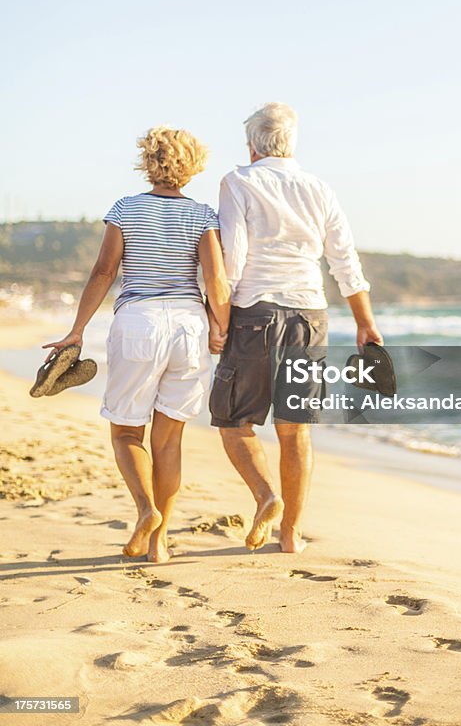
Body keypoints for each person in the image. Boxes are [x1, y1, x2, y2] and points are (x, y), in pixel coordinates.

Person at [43, 127, 230, 563]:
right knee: (169, 440)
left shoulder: (125, 208)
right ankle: (158, 544)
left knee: (128, 431)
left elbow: (104, 273)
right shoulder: (203, 215)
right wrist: (221, 326)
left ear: (148, 161)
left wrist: (77, 330)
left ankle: (146, 511)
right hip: (188, 325)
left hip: (138, 324)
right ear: (194, 165)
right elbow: (215, 279)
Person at [208, 102, 382, 554]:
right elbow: (344, 259)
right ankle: (290, 535)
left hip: (255, 313)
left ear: (252, 145)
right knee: (295, 428)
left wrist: (219, 321)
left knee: (234, 421)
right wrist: (365, 323)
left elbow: (233, 257)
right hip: (310, 315)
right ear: (291, 144)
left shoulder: (238, 181)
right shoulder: (318, 188)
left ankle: (267, 497)